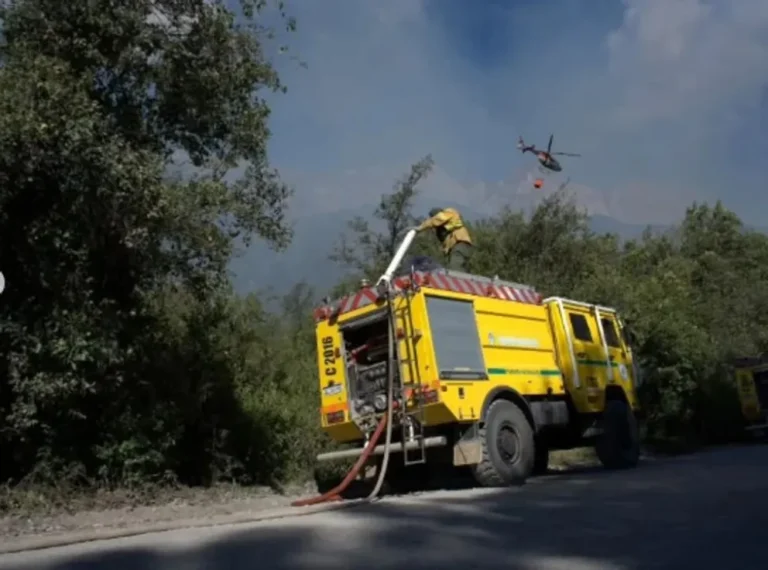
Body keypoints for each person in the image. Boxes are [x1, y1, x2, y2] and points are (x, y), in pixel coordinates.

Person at [415, 207, 473, 272]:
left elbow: (437, 219)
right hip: (456, 247)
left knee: (455, 268)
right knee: (455, 268)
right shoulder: (442, 228)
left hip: (460, 243)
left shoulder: (449, 213)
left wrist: (420, 227)